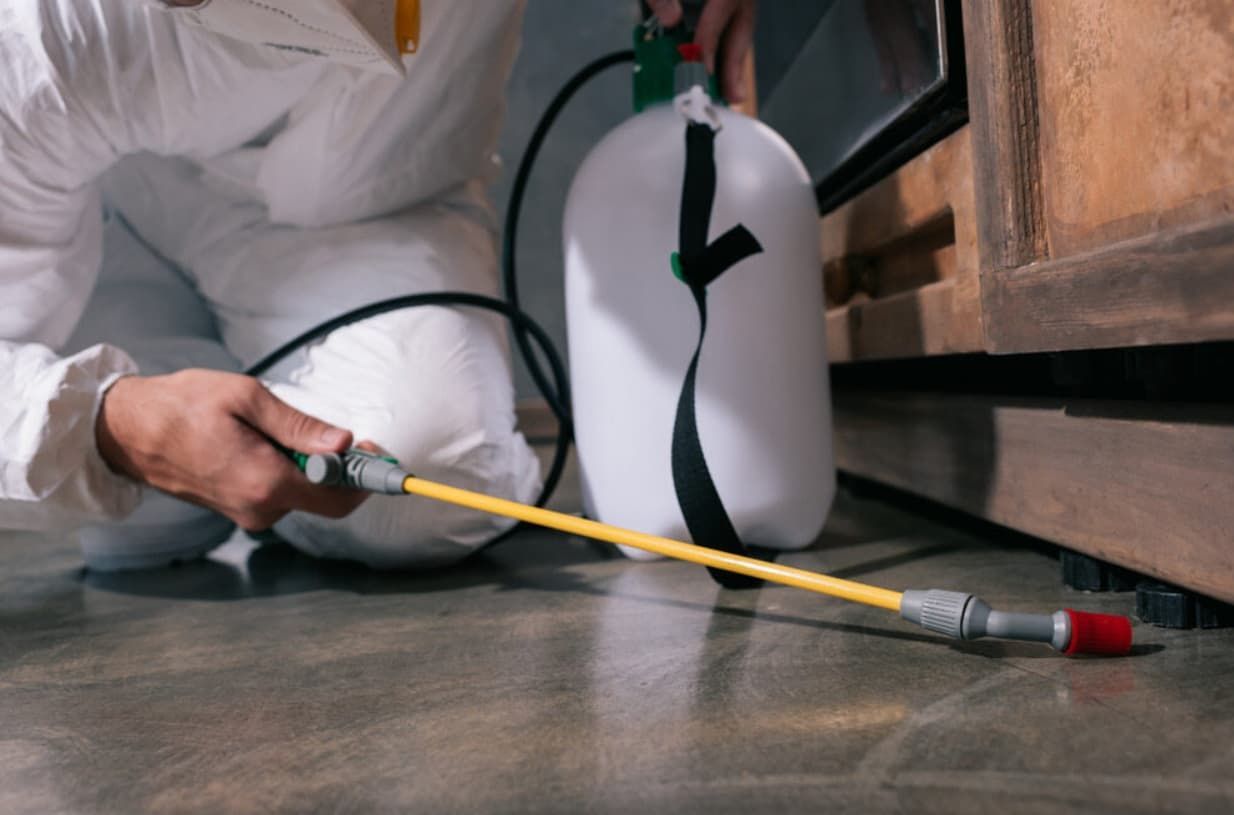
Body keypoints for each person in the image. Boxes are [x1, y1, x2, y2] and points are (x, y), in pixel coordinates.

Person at [0, 0, 755, 571]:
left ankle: (234, 427)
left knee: (422, 485)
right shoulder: (38, 35)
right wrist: (111, 423)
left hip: (366, 205)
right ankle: (180, 424)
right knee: (135, 523)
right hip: (83, 215)